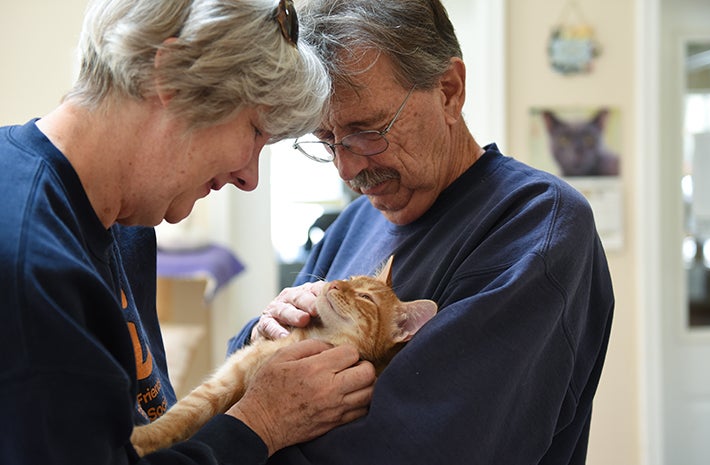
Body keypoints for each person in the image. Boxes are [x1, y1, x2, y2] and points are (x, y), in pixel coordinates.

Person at [228, 0, 615, 463]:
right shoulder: (354, 223)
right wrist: (260, 336)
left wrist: (249, 435)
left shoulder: (537, 224)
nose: (347, 168)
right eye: (326, 141)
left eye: (368, 131)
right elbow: (251, 374)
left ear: (449, 91)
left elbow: (419, 447)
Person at [0, 0, 377, 463]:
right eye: (256, 129)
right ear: (174, 79)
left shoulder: (126, 224)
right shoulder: (26, 259)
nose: (249, 178)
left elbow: (141, 426)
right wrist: (260, 422)